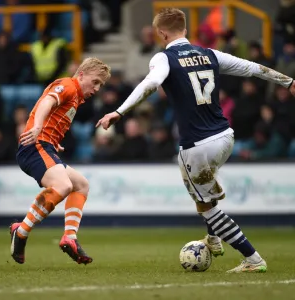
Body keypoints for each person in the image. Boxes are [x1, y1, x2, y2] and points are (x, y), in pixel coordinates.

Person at [96, 8, 295, 273]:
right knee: (206, 193)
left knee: (205, 207)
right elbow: (252, 68)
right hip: (225, 136)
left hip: (198, 145)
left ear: (162, 33)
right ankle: (213, 240)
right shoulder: (210, 54)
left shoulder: (164, 57)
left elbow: (151, 83)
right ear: (185, 30)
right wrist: (288, 81)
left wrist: (119, 111)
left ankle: (253, 259)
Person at [10, 57, 111, 265]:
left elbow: (52, 115)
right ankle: (21, 231)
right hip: (34, 146)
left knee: (81, 184)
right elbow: (47, 101)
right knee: (63, 185)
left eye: (100, 85)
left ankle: (70, 237)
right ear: (81, 75)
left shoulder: (76, 98)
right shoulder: (68, 85)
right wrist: (37, 128)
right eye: (95, 82)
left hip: (45, 146)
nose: (97, 88)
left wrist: (54, 141)